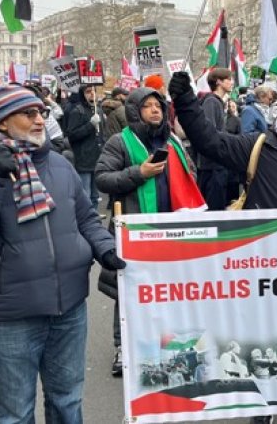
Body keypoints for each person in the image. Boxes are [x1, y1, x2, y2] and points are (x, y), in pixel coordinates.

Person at [0, 84, 125, 423]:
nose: (40, 120)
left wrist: (106, 248)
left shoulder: (58, 164)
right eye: (28, 114)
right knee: (16, 411)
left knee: (67, 402)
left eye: (41, 112)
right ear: (0, 122)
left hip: (69, 309)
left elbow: (86, 218)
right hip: (11, 317)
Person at [169, 72, 277, 424]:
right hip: (259, 263)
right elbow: (208, 141)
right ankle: (263, 405)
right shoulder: (258, 146)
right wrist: (185, 98)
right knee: (263, 336)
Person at [95, 86, 205, 377]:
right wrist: (139, 173)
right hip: (135, 232)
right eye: (148, 106)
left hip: (171, 232)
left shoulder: (174, 141)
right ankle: (122, 346)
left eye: (159, 105)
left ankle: (166, 343)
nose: (156, 110)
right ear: (134, 111)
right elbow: (103, 179)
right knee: (128, 292)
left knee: (168, 291)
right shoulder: (120, 142)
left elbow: (191, 173)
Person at [64, 84, 106, 206]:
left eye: (94, 91)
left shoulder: (98, 109)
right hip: (83, 158)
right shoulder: (77, 111)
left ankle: (94, 219)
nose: (92, 94)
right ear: (82, 94)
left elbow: (102, 134)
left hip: (97, 158)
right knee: (85, 194)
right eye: (88, 91)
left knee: (95, 195)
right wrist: (90, 125)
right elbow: (72, 135)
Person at [198, 67, 234, 210]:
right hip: (212, 166)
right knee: (214, 209)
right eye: (229, 79)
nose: (232, 83)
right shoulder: (211, 102)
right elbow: (209, 132)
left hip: (217, 163)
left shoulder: (217, 102)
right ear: (218, 82)